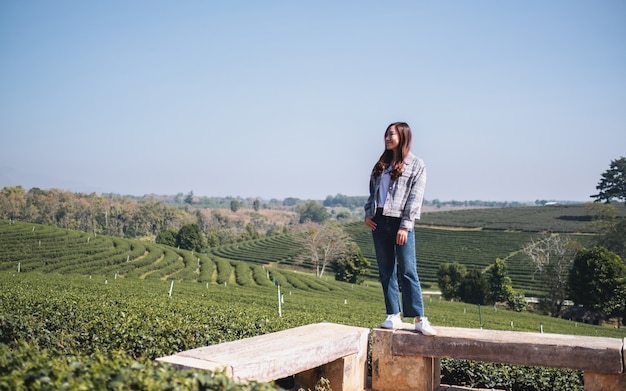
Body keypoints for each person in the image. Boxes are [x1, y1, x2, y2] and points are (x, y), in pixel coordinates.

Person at [364, 122, 437, 336]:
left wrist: (405, 226)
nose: (387, 137)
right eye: (386, 134)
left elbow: (415, 198)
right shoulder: (381, 164)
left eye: (392, 134)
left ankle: (419, 318)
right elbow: (372, 193)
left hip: (400, 222)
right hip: (379, 221)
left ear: (403, 136)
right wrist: (368, 213)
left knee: (407, 269)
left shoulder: (416, 164)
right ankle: (393, 315)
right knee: (386, 270)